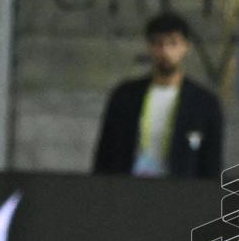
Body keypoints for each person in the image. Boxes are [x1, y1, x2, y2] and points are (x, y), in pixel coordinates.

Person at [93, 12, 223, 179]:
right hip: (126, 191)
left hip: (180, 195)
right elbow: (105, 153)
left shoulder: (204, 103)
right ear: (149, 46)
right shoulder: (124, 96)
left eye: (173, 43)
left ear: (186, 47)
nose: (165, 51)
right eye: (158, 44)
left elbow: (211, 163)